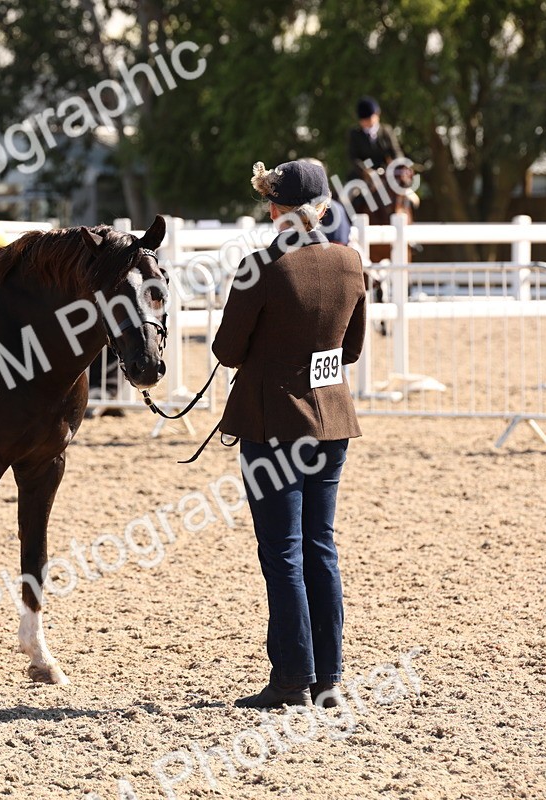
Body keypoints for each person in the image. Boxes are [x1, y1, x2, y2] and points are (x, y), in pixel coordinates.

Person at [211, 159, 366, 709]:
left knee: (282, 553)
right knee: (320, 546)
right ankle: (329, 677)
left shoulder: (259, 268)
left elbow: (226, 351)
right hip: (332, 421)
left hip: (273, 424)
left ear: (275, 211)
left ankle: (291, 678)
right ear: (322, 209)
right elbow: (349, 350)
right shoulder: (350, 263)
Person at [346, 96, 404, 184]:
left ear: (377, 115)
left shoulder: (386, 131)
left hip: (387, 174)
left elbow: (396, 152)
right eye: (363, 120)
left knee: (410, 196)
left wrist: (395, 165)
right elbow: (353, 157)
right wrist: (365, 170)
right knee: (349, 194)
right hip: (363, 177)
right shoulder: (355, 134)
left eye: (369, 118)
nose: (366, 122)